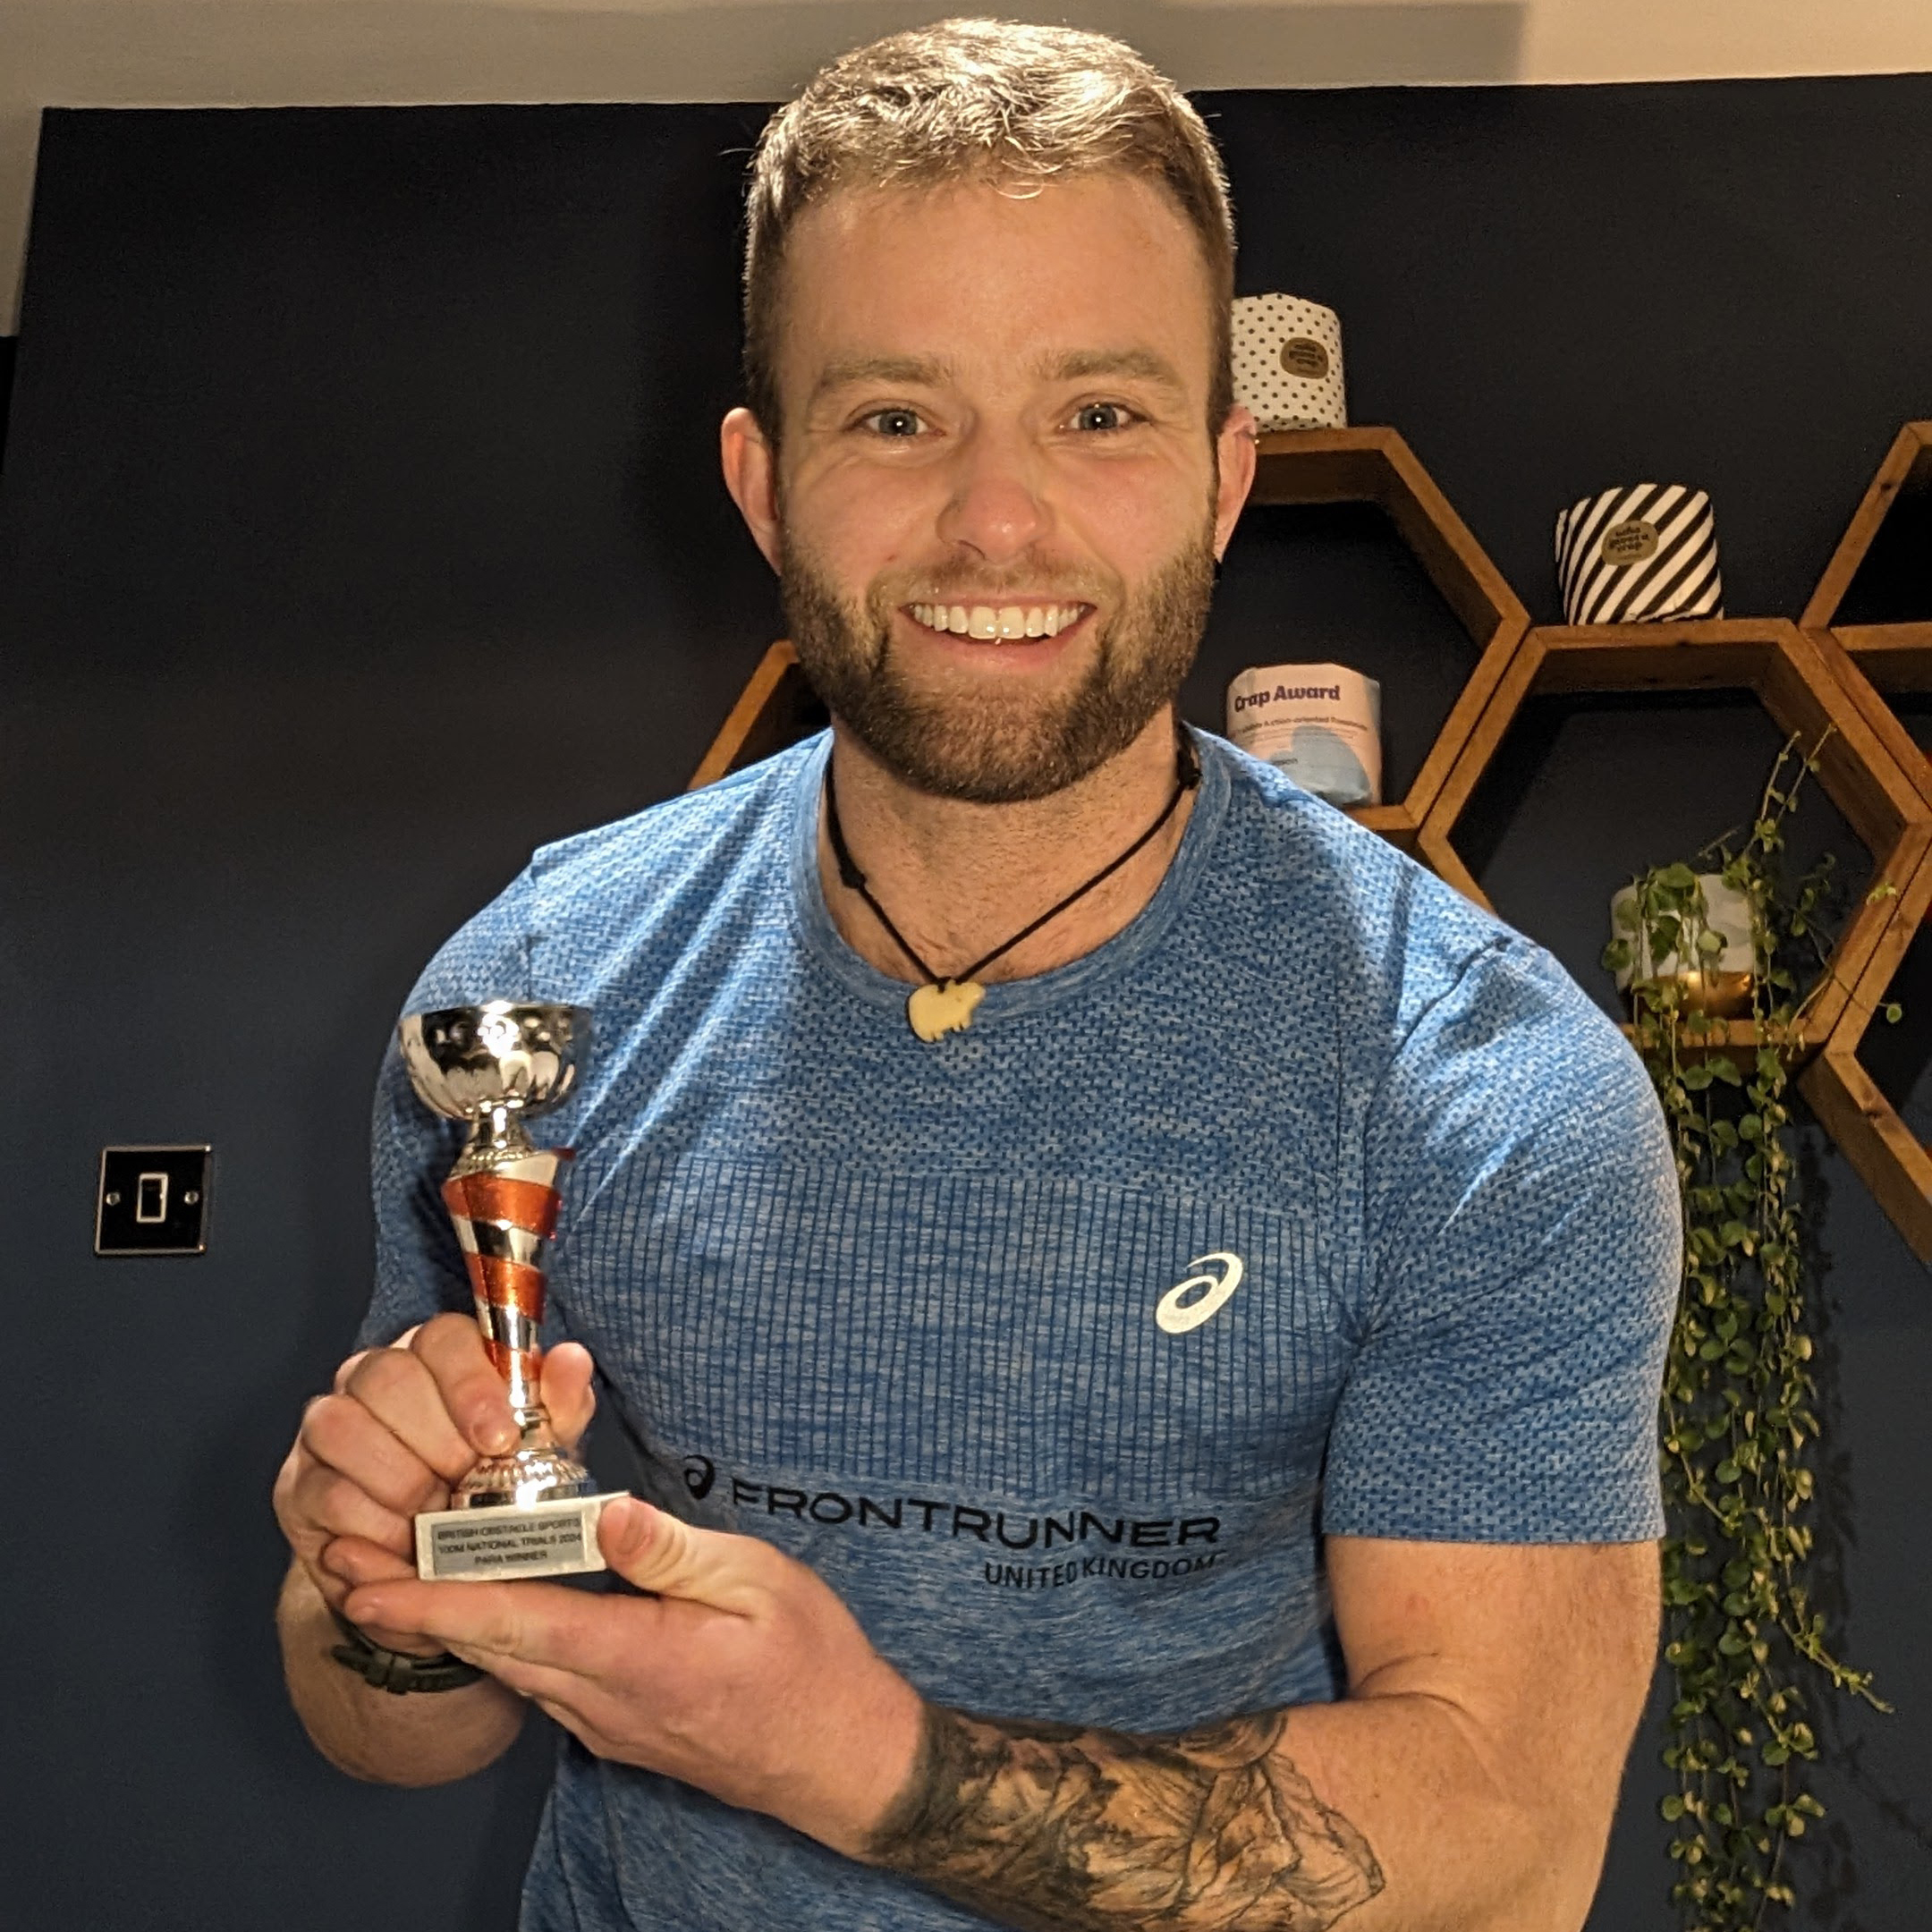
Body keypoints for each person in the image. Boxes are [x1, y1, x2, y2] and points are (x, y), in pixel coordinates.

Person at [273, 19, 1681, 1931]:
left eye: (1097, 413)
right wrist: (389, 1602)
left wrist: (863, 1764)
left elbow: (1508, 1846)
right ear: (765, 485)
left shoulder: (1482, 1088)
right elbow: (396, 1732)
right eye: (895, 416)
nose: (997, 519)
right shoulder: (532, 994)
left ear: (1221, 472)